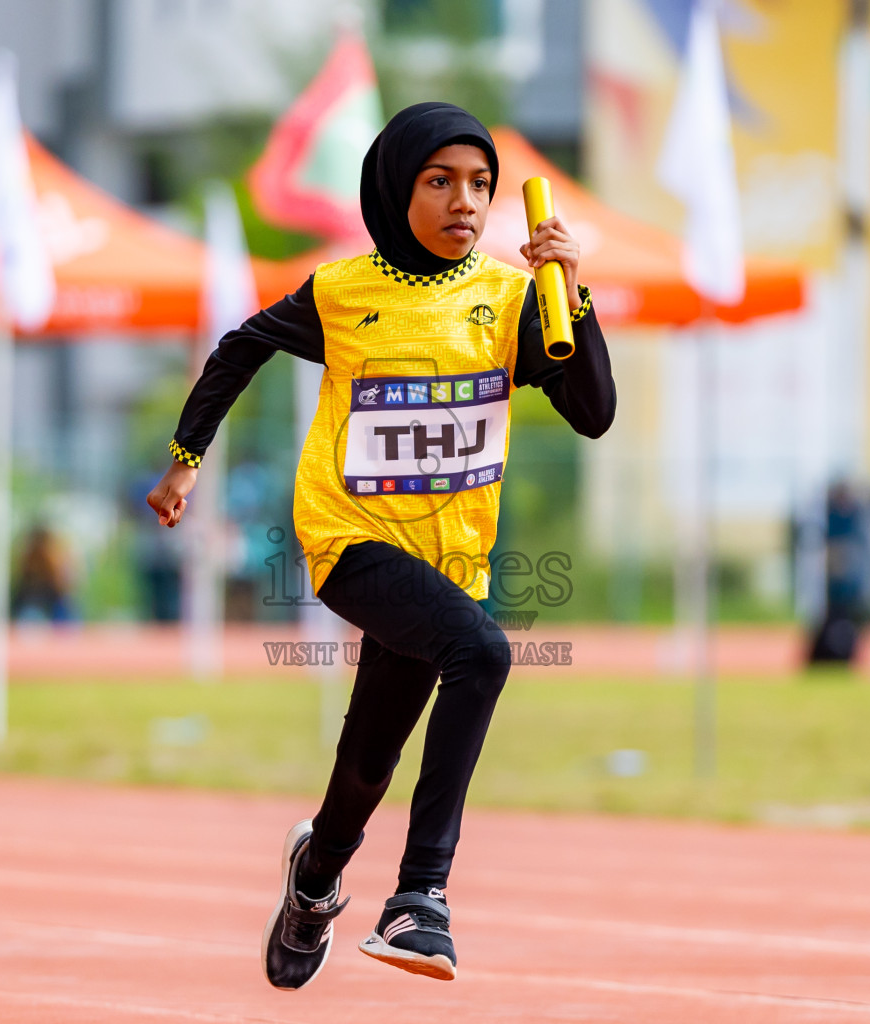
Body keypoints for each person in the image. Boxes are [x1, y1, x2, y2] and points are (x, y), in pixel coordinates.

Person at [146, 102, 616, 989]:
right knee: (480, 650)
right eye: (439, 181)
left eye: (480, 183)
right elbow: (237, 349)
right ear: (395, 190)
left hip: (450, 562)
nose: (465, 201)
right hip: (348, 540)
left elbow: (594, 415)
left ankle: (313, 881)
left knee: (368, 760)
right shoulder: (341, 291)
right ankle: (420, 899)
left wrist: (573, 294)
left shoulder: (514, 301)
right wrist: (184, 461)